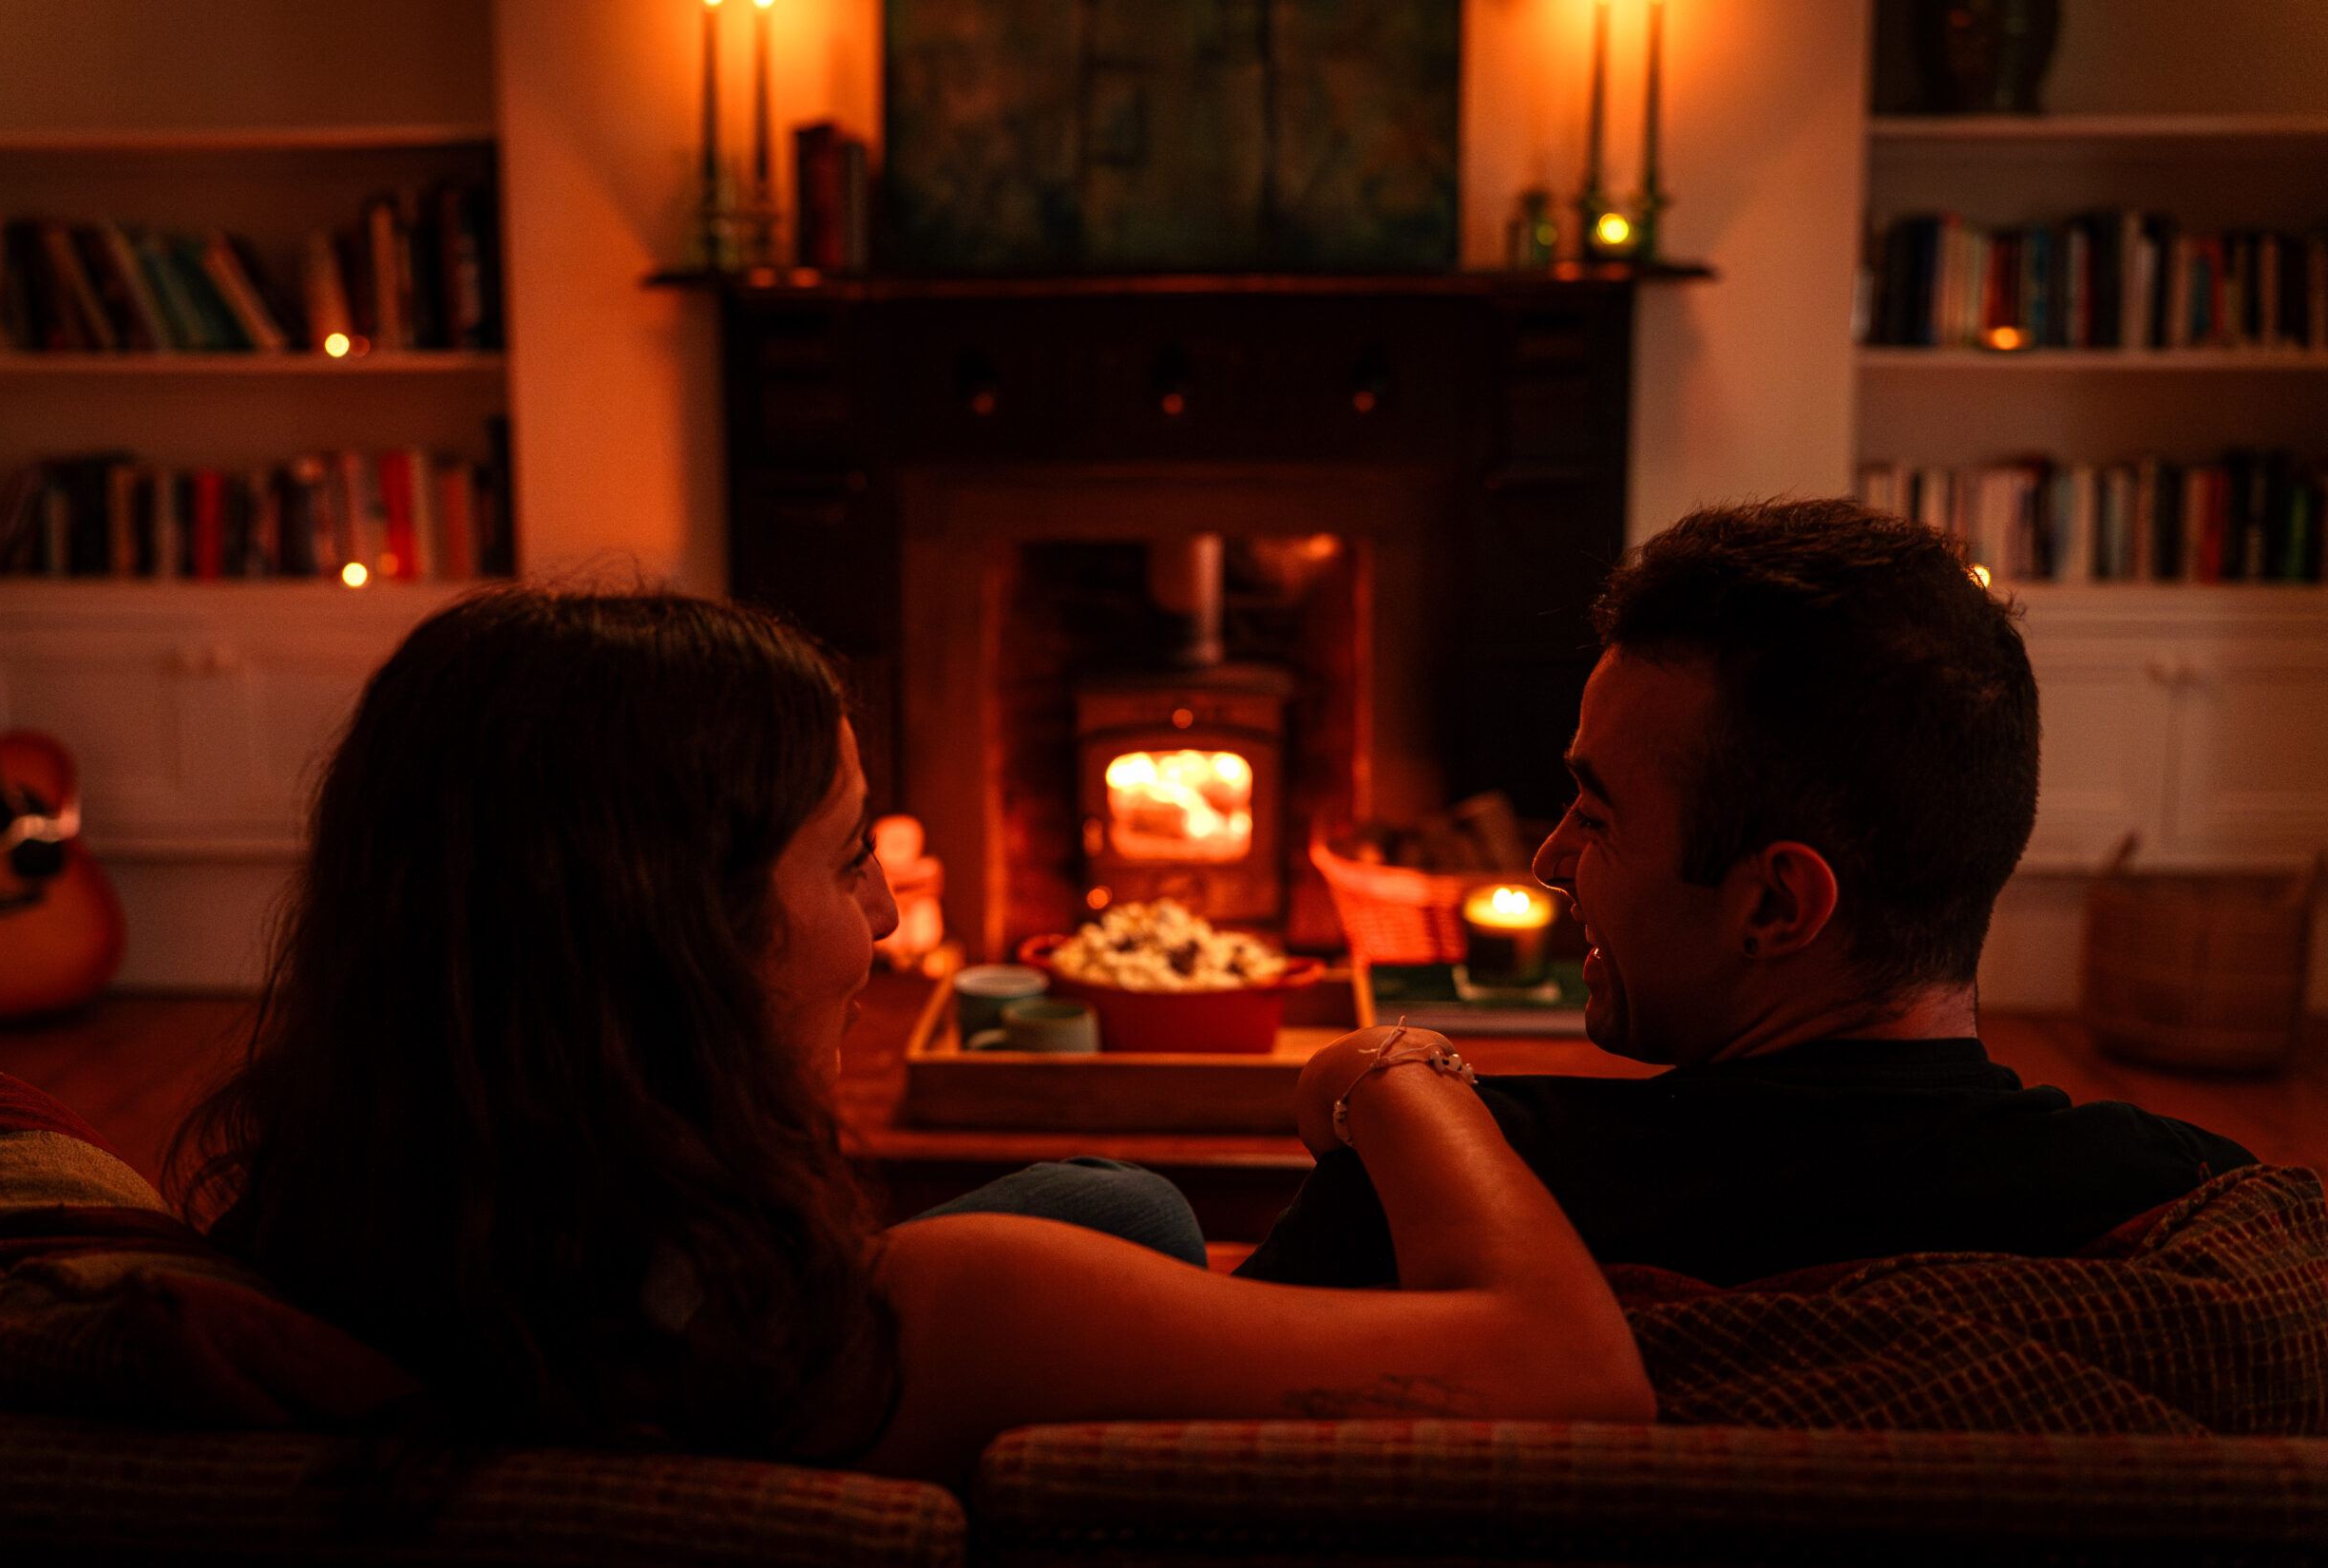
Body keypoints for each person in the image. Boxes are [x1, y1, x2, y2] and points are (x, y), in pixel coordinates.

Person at [170, 588, 1651, 1488]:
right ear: (669, 934)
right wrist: (1401, 1066)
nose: (884, 917)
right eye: (844, 854)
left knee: (1101, 1200)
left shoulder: (311, 1245)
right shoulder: (936, 1318)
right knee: (1121, 1207)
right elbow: (1578, 1376)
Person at [1241, 498, 2255, 1289]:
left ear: (1774, 905)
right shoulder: (2194, 1210)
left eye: (1595, 817)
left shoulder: (1433, 1198)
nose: (1548, 860)